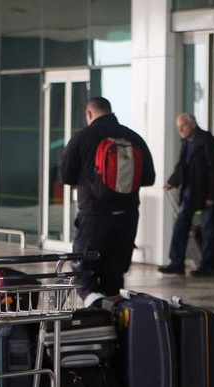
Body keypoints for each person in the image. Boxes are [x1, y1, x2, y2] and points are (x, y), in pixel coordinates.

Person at [59, 96, 155, 305]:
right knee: (115, 276)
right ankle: (117, 323)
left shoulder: (82, 137)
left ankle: (97, 313)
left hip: (94, 215)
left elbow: (66, 176)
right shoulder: (133, 137)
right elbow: (149, 178)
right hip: (127, 216)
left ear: (89, 114)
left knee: (85, 275)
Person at [162, 113, 214, 277]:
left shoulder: (206, 140)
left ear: (192, 124)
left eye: (182, 126)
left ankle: (208, 265)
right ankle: (176, 262)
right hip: (191, 191)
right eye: (178, 127)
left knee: (207, 228)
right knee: (181, 225)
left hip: (207, 193)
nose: (179, 130)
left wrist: (212, 195)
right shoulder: (186, 142)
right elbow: (182, 165)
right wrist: (172, 181)